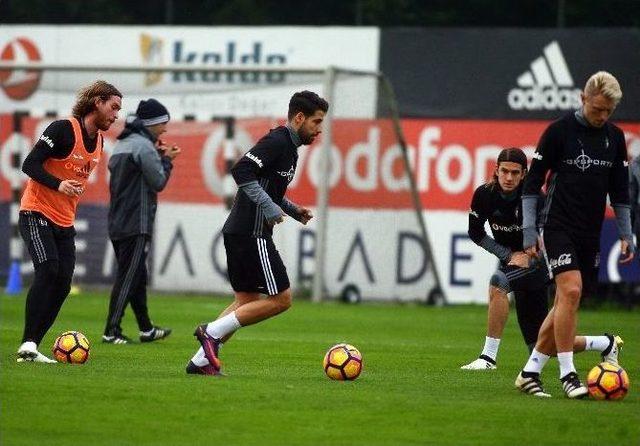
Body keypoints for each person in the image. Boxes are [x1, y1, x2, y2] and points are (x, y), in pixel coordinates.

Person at [186, 90, 328, 375]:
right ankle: (211, 332)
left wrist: (289, 208)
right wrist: (270, 209)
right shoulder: (277, 141)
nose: (319, 129)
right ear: (299, 118)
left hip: (241, 231)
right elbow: (241, 172)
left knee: (246, 301)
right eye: (316, 121)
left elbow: (268, 187)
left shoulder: (290, 147)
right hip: (252, 232)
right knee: (282, 299)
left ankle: (200, 362)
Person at [515, 71, 635, 398]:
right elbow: (532, 183)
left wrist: (626, 233)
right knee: (570, 291)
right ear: (583, 98)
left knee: (567, 301)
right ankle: (568, 375)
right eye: (597, 109)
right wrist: (529, 232)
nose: (602, 117)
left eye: (608, 111)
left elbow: (620, 191)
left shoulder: (615, 137)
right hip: (557, 225)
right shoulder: (559, 132)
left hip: (589, 231)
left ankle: (531, 371)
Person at [16, 80, 122, 362]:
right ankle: (27, 343)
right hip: (36, 212)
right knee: (48, 270)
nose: (116, 115)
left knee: (62, 284)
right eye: (113, 107)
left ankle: (33, 347)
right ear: (97, 102)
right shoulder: (63, 129)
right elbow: (30, 164)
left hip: (64, 221)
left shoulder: (99, 142)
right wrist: (58, 184)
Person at [461, 148, 549, 370]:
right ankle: (605, 343)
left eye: (515, 173)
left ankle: (488, 358)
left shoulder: (535, 198)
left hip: (536, 264)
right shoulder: (484, 195)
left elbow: (549, 232)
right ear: (496, 170)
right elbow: (475, 232)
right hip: (512, 264)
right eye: (505, 171)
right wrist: (509, 255)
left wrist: (533, 254)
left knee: (498, 283)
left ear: (524, 174)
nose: (509, 178)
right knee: (540, 346)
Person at [102, 99, 181, 344]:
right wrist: (167, 160)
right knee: (128, 276)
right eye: (163, 124)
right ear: (151, 124)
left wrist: (158, 155)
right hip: (138, 222)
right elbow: (158, 181)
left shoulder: (123, 144)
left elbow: (133, 175)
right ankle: (111, 331)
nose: (165, 129)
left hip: (117, 220)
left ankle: (146, 329)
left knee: (137, 275)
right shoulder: (144, 148)